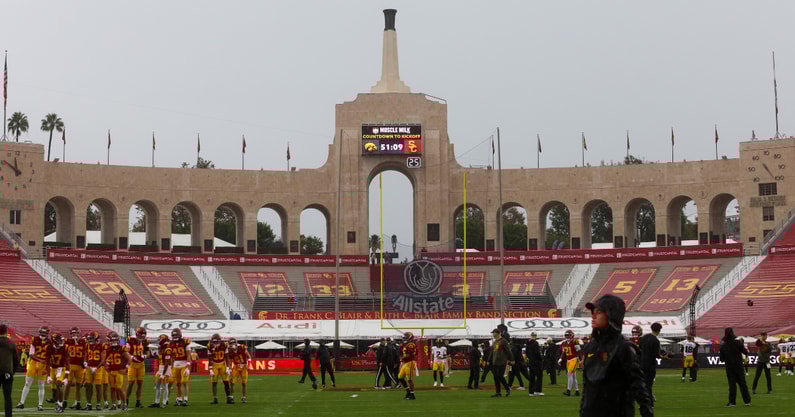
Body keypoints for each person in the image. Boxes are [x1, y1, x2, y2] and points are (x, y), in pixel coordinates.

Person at [580, 295, 654, 417]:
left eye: (599, 312)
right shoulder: (590, 347)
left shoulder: (624, 348)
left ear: (611, 316)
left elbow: (638, 386)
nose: (593, 316)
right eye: (593, 312)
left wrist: (647, 413)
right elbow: (587, 390)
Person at [17, 326, 50, 411]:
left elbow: (50, 356)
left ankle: (40, 405)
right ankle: (21, 402)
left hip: (43, 365)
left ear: (47, 333)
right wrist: (41, 360)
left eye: (45, 332)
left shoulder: (50, 342)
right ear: (40, 332)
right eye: (42, 332)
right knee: (27, 383)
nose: (43, 334)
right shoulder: (34, 339)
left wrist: (46, 366)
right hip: (33, 363)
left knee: (41, 385)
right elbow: (31, 354)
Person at [719, 328, 751, 407]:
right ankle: (747, 401)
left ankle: (732, 402)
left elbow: (722, 359)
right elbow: (745, 352)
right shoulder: (738, 342)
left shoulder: (723, 346)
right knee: (742, 383)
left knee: (732, 385)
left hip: (730, 367)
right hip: (739, 366)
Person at [639, 322, 669, 404]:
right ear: (659, 330)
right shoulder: (655, 341)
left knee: (643, 385)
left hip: (641, 364)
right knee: (648, 385)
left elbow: (639, 350)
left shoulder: (644, 338)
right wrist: (664, 357)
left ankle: (643, 401)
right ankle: (649, 403)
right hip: (650, 365)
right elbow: (656, 355)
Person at [101, 332, 131, 411]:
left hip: (119, 371)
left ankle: (124, 404)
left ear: (118, 341)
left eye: (115, 341)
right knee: (112, 388)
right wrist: (106, 366)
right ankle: (114, 404)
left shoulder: (122, 348)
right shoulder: (109, 349)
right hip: (111, 371)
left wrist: (126, 369)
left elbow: (129, 359)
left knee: (119, 388)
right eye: (112, 341)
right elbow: (104, 360)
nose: (113, 343)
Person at [44, 333, 68, 413]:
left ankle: (61, 404)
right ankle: (57, 403)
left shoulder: (65, 347)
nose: (61, 341)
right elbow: (47, 363)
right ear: (54, 341)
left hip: (61, 368)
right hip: (52, 369)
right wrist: (48, 376)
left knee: (59, 384)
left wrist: (66, 377)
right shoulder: (49, 347)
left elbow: (68, 363)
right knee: (54, 389)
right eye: (58, 340)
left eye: (61, 340)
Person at [125, 327, 149, 409]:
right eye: (141, 335)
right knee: (131, 383)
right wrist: (131, 356)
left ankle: (138, 402)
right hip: (132, 364)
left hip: (141, 364)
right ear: (137, 334)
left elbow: (147, 351)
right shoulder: (130, 339)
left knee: (140, 384)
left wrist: (145, 355)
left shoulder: (145, 341)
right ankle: (126, 400)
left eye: (143, 336)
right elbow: (126, 351)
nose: (142, 337)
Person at [63, 327, 85, 410]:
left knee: (78, 385)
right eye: (73, 334)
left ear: (79, 334)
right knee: (68, 384)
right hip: (70, 365)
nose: (74, 335)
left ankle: (78, 403)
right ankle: (64, 401)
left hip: (80, 366)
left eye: (76, 333)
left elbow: (86, 352)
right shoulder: (67, 341)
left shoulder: (84, 341)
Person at [0, 324, 20, 417]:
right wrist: (13, 371)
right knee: (7, 397)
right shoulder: (11, 343)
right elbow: (16, 359)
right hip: (7, 372)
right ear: (6, 331)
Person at [167, 328, 191, 406]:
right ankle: (179, 399)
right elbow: (170, 356)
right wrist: (170, 367)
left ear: (180, 335)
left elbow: (188, 355)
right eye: (174, 335)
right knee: (177, 383)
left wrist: (187, 366)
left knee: (184, 382)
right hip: (175, 364)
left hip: (184, 364)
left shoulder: (185, 342)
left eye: (176, 335)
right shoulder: (170, 344)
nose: (175, 336)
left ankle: (185, 399)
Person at [207, 334, 232, 404]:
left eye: (216, 342)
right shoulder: (209, 346)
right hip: (214, 364)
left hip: (223, 364)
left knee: (226, 382)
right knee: (214, 382)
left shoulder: (224, 345)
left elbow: (227, 357)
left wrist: (228, 367)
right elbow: (210, 359)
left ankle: (229, 397)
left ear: (220, 341)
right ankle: (215, 398)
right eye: (214, 342)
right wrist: (211, 369)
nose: (215, 344)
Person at [489, 328, 513, 398]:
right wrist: (489, 360)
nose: (493, 334)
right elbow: (492, 352)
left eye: (493, 333)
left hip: (502, 361)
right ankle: (498, 392)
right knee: (496, 377)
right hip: (495, 362)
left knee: (500, 376)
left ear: (498, 333)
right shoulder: (495, 342)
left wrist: (512, 359)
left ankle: (508, 389)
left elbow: (508, 351)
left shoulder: (503, 341)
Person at [150, 334, 171, 408]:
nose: (159, 340)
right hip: (161, 368)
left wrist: (163, 373)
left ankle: (164, 402)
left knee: (165, 386)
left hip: (166, 368)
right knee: (157, 385)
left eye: (160, 339)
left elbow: (167, 363)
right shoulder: (161, 348)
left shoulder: (167, 349)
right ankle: (157, 402)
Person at [397, 332, 418, 400]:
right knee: (400, 377)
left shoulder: (411, 344)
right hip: (405, 363)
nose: (404, 337)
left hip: (410, 362)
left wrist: (401, 359)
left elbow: (409, 354)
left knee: (409, 379)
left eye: (406, 336)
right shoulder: (406, 344)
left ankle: (412, 394)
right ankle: (408, 392)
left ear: (410, 337)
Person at [228, 338, 250, 403]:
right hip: (236, 367)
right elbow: (229, 360)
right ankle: (231, 396)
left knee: (244, 383)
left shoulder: (242, 347)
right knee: (232, 382)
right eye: (231, 344)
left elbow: (249, 356)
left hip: (244, 366)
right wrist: (229, 368)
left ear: (236, 343)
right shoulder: (230, 351)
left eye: (233, 343)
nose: (232, 345)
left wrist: (249, 365)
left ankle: (244, 397)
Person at [560, 329, 581, 396]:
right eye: (566, 336)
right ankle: (577, 391)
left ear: (572, 335)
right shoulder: (564, 343)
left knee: (569, 374)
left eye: (568, 335)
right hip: (568, 360)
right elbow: (564, 352)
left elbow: (579, 352)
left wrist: (581, 361)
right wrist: (560, 358)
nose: (567, 337)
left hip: (574, 359)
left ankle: (568, 391)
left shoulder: (575, 341)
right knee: (573, 376)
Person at [525, 332, 544, 396]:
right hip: (536, 362)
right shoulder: (535, 343)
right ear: (535, 336)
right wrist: (541, 359)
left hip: (530, 362)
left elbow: (526, 353)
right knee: (539, 376)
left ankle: (531, 392)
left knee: (532, 377)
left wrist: (530, 358)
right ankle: (537, 390)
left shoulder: (528, 343)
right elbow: (537, 353)